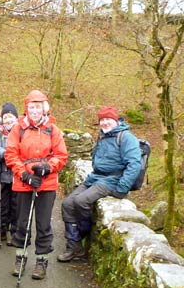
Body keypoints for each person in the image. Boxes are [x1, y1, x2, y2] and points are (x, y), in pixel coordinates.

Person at [57, 106, 141, 262]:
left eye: (108, 119)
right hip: (94, 178)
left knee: (81, 201)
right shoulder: (102, 136)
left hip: (112, 180)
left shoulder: (126, 138)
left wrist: (122, 188)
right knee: (68, 203)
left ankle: (80, 236)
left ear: (115, 120)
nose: (105, 123)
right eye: (102, 120)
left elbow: (134, 164)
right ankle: (75, 247)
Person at [4, 90, 69, 280]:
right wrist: (24, 174)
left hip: (46, 183)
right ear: (26, 108)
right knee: (22, 222)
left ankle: (41, 261)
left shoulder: (53, 130)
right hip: (24, 182)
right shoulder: (18, 129)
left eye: (38, 107)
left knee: (43, 223)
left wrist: (48, 167)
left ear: (44, 108)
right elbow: (11, 154)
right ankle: (20, 257)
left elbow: (61, 155)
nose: (34, 110)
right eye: (31, 107)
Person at [0, 102, 19, 244]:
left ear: (16, 118)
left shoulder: (21, 132)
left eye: (11, 116)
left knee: (16, 205)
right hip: (2, 175)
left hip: (18, 176)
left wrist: (9, 155)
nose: (8, 120)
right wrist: (10, 154)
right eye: (5, 117)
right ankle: (0, 230)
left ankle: (15, 232)